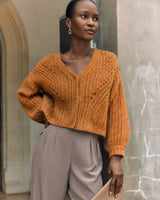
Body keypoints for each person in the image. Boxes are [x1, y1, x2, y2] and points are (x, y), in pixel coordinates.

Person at [17, 0, 130, 199]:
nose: (91, 22)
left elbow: (117, 110)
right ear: (69, 23)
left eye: (95, 18)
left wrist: (116, 156)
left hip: (88, 145)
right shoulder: (49, 64)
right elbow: (25, 93)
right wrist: (46, 113)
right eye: (84, 16)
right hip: (53, 141)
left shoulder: (108, 62)